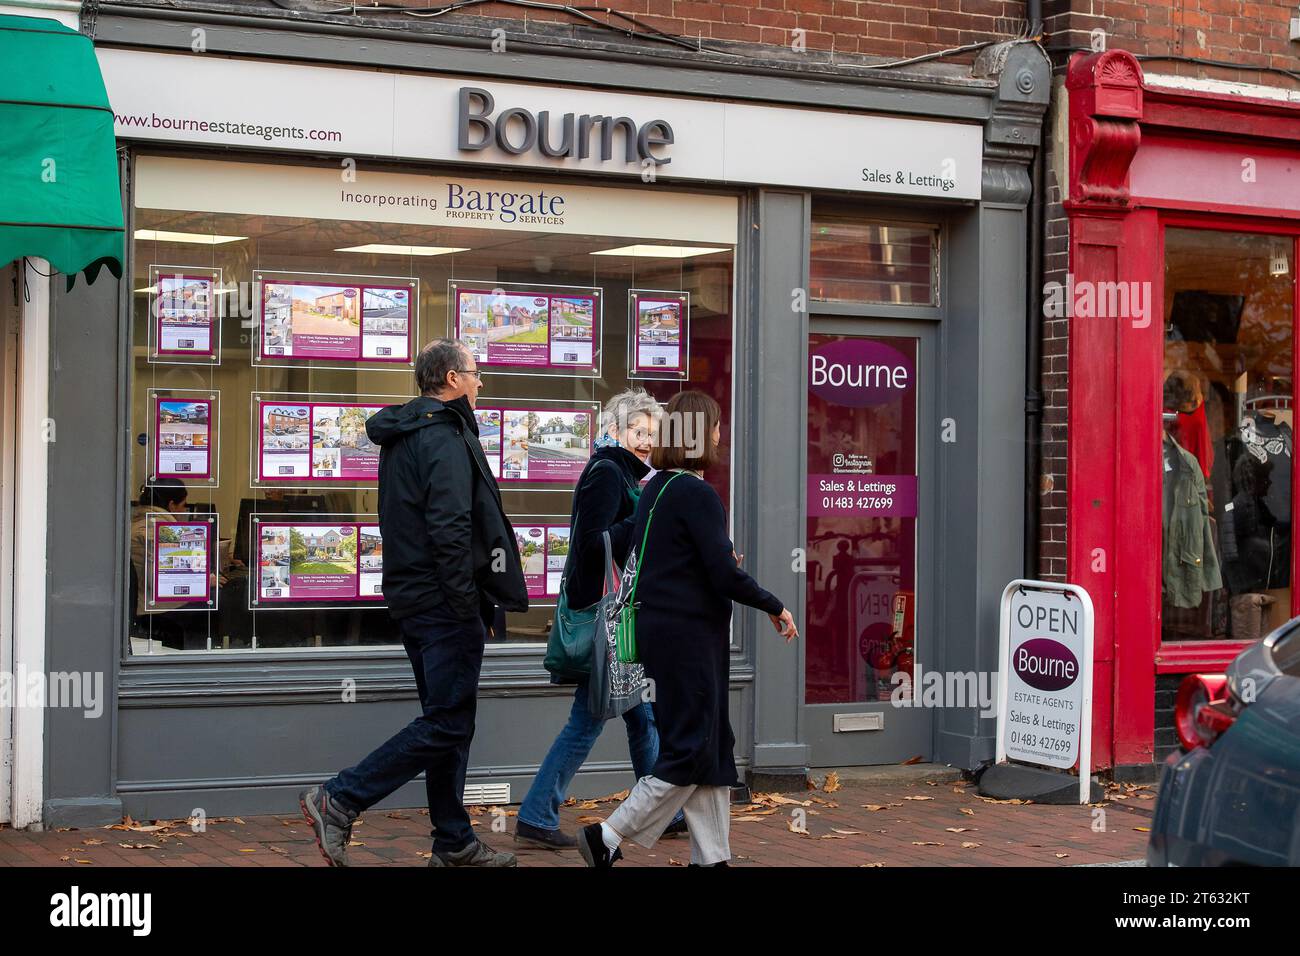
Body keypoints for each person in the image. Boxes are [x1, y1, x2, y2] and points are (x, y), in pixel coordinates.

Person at [300, 338, 528, 868]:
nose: (479, 382)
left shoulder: (403, 435)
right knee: (448, 721)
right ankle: (341, 798)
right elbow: (450, 528)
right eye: (474, 373)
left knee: (448, 719)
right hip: (443, 602)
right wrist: (464, 600)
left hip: (412, 596)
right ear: (451, 378)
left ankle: (454, 841)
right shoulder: (444, 436)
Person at [578, 390, 798, 869]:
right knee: (690, 747)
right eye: (716, 425)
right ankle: (607, 835)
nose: (721, 434)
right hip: (689, 640)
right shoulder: (697, 494)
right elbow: (721, 575)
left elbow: (670, 561)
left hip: (669, 635)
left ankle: (713, 858)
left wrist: (713, 563)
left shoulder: (660, 487)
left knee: (712, 748)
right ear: (701, 433)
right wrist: (774, 604)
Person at [514, 388, 677, 850]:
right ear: (613, 431)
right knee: (590, 720)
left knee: (640, 715)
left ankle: (665, 808)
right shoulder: (608, 472)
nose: (645, 441)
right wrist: (644, 518)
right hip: (606, 620)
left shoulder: (622, 472)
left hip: (615, 618)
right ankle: (536, 811)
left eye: (651, 433)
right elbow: (592, 545)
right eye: (637, 431)